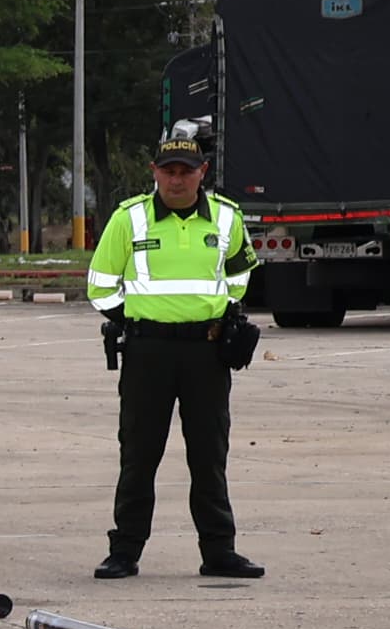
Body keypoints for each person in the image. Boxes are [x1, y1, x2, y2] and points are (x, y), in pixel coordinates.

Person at [87, 127, 261, 581]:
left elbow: (242, 271)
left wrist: (228, 312)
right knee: (140, 454)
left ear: (202, 172)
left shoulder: (226, 218)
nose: (177, 180)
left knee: (208, 455)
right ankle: (124, 550)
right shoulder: (129, 219)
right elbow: (99, 284)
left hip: (208, 353)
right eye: (169, 171)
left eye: (187, 171)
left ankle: (219, 551)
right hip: (148, 352)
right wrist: (137, 322)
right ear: (155, 172)